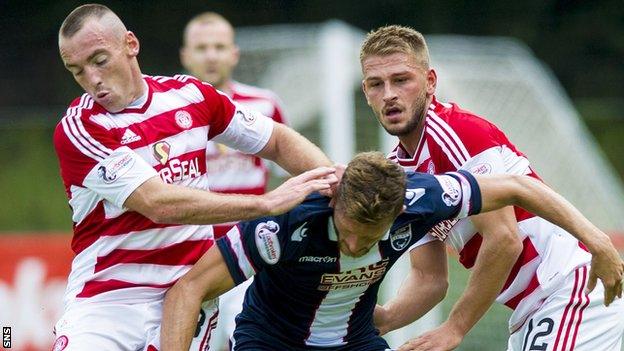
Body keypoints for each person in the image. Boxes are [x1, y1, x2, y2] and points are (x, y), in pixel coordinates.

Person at [52, 4, 337, 350]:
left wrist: (334, 182)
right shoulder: (81, 127)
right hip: (108, 302)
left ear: (130, 44)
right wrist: (266, 203)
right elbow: (158, 204)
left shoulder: (191, 96)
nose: (92, 79)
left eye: (99, 60)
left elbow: (276, 140)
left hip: (187, 296)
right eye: (76, 70)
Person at [161, 151, 619, 351]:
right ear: (334, 198)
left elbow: (521, 188)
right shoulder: (285, 221)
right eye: (350, 231)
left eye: (372, 233)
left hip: (355, 342)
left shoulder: (421, 196)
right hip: (272, 341)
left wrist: (596, 240)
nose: (359, 246)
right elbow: (189, 289)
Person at [359, 25, 624, 350]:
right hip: (531, 312)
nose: (389, 94)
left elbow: (504, 239)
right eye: (376, 84)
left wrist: (454, 328)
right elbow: (430, 279)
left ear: (430, 82)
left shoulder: (456, 134)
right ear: (366, 92)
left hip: (568, 289)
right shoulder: (399, 174)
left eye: (401, 79)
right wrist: (382, 319)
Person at [179, 13, 290, 350]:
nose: (211, 55)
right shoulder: (169, 110)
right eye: (201, 48)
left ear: (234, 54)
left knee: (242, 338)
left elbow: (290, 175)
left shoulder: (264, 105)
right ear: (186, 55)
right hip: (190, 251)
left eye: (218, 47)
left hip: (250, 248)